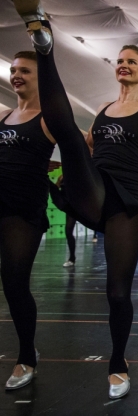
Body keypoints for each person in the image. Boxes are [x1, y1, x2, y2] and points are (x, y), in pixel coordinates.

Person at [13, 0, 138, 399]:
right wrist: (62, 170)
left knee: (117, 292)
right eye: (120, 61)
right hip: (95, 189)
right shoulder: (104, 110)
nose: (123, 66)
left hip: (127, 203)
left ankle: (118, 362)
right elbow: (84, 149)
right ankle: (42, 41)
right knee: (71, 137)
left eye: (131, 62)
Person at [0, 51, 56, 390]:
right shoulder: (4, 116)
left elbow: (86, 147)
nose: (16, 75)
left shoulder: (49, 118)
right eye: (13, 70)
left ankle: (26, 358)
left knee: (15, 282)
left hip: (24, 210)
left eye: (25, 71)